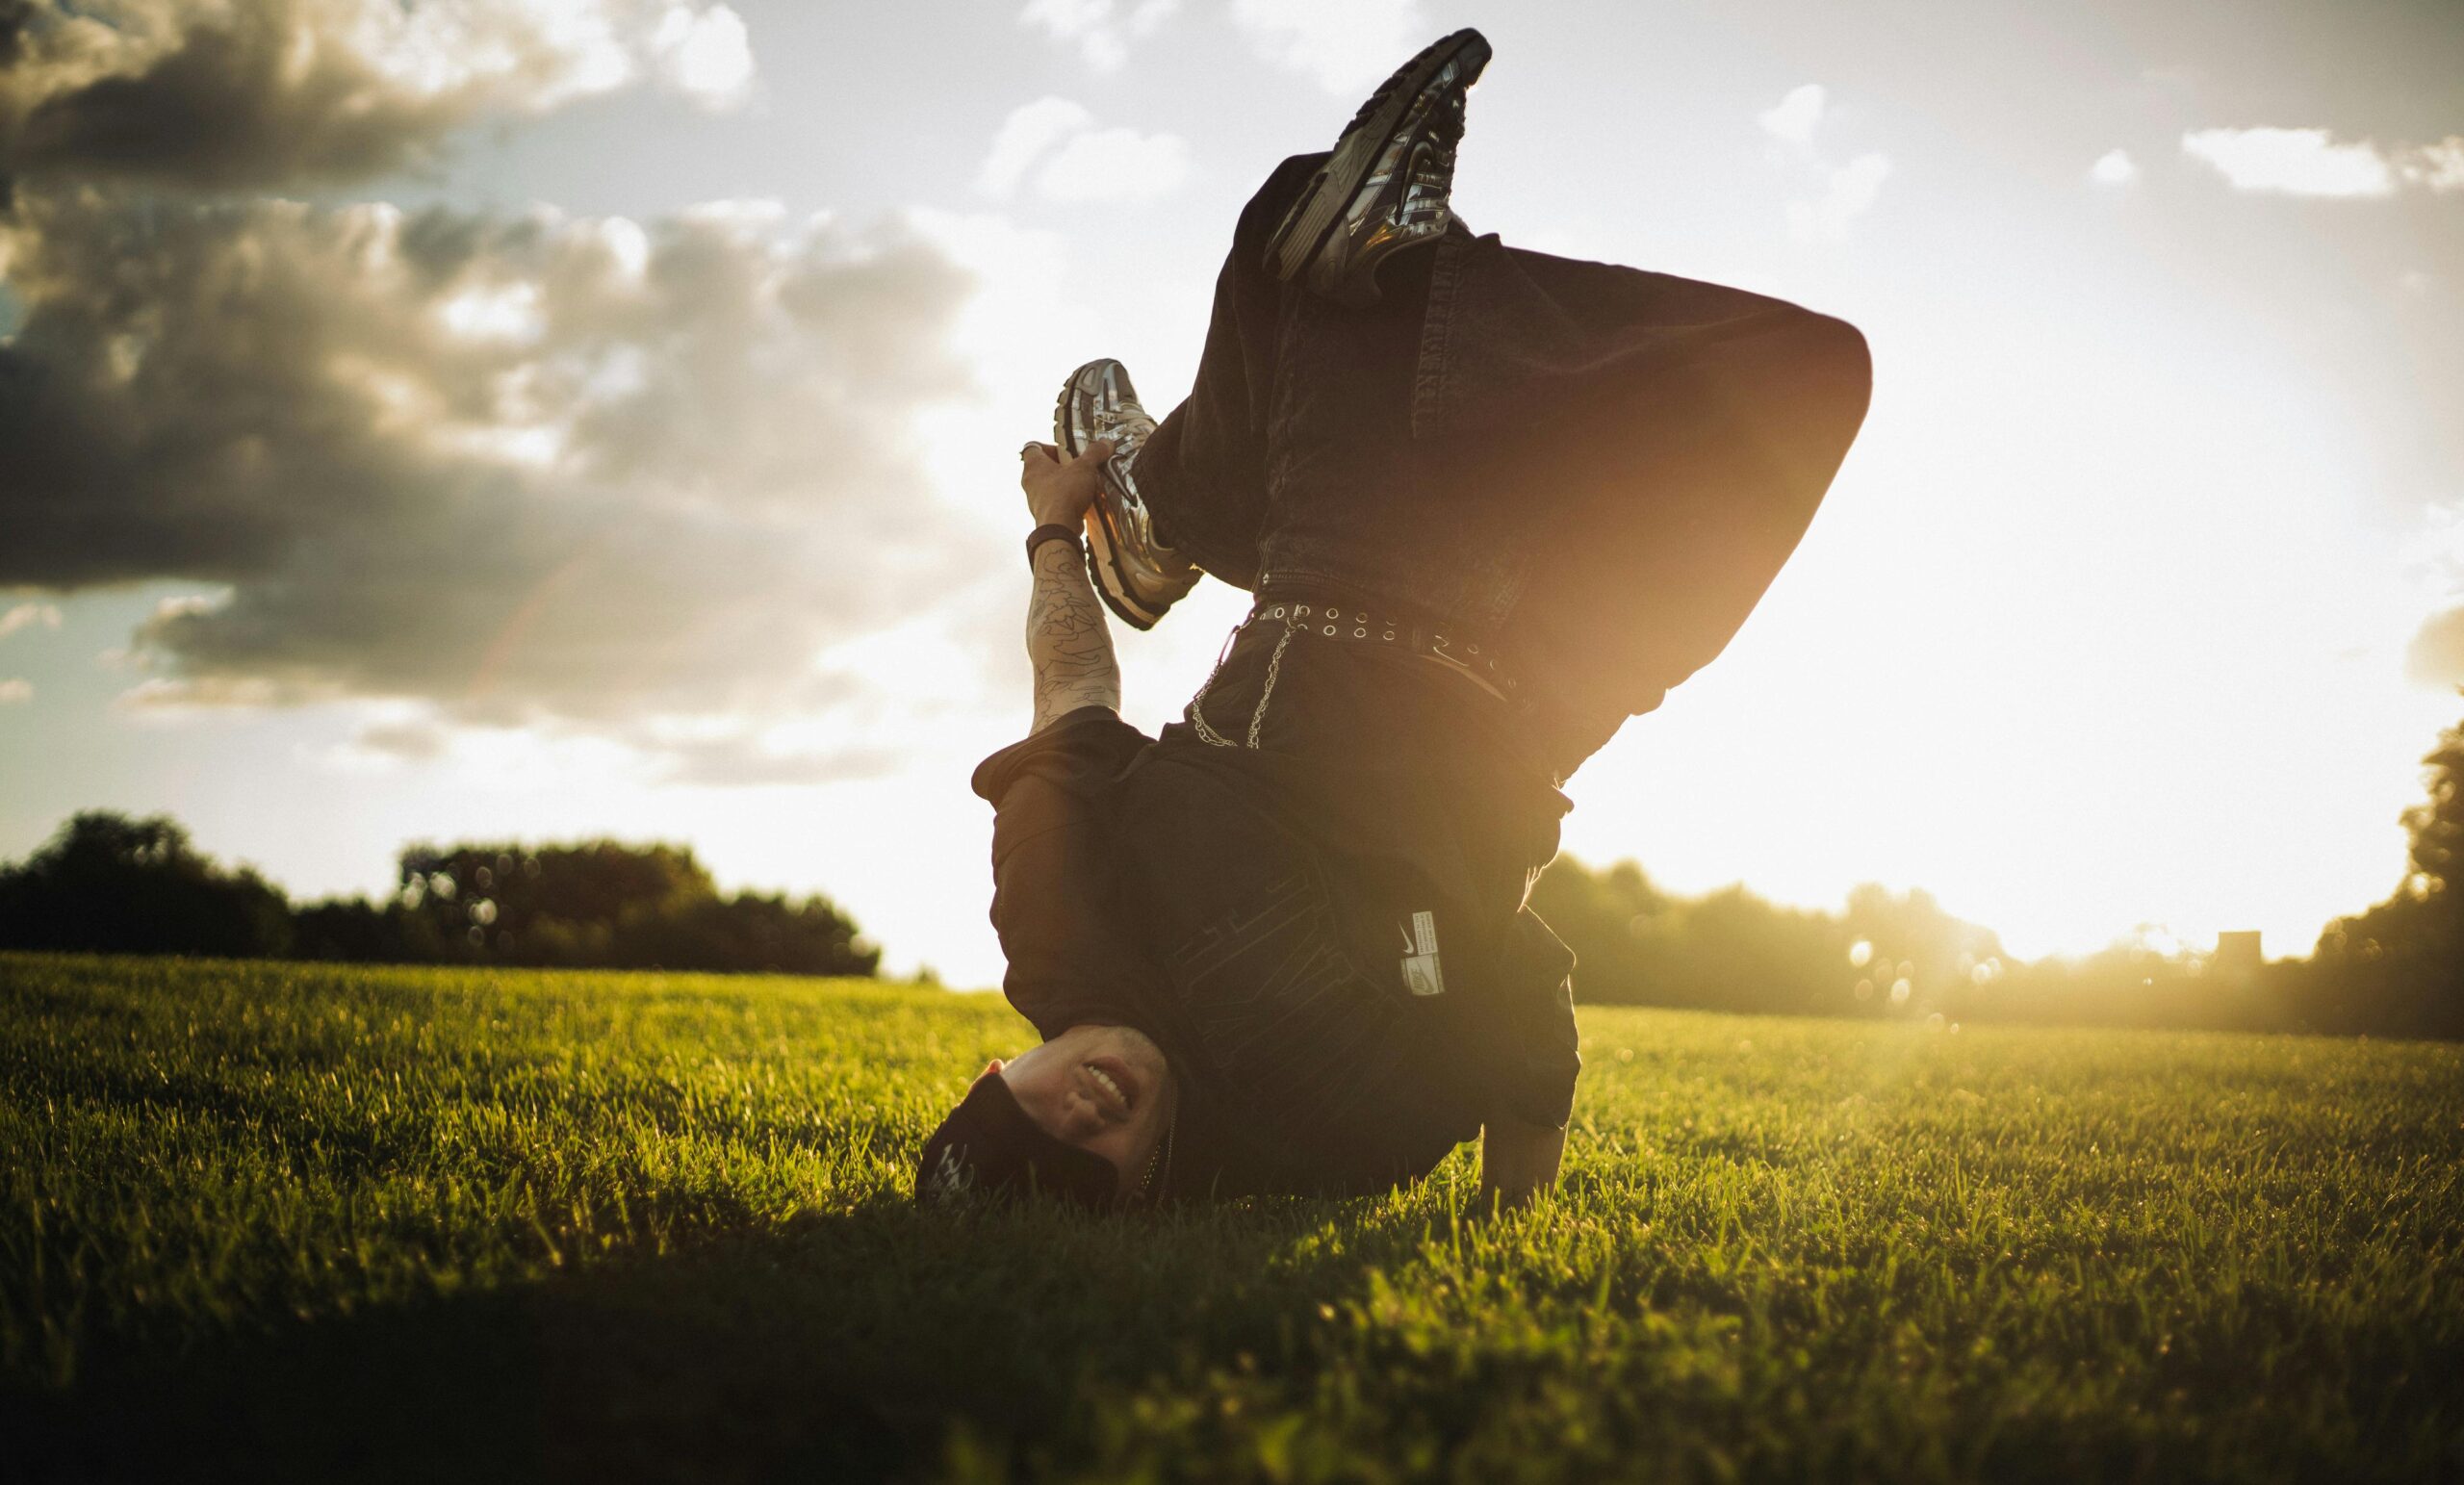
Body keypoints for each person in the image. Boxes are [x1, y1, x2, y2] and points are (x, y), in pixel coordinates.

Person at [914, 29, 1871, 1210]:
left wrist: (1057, 532)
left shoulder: (1056, 927)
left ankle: (1167, 504)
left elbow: (1072, 695)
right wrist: (1512, 1216)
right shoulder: (1333, 1130)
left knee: (1307, 245)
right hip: (1557, 685)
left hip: (1343, 590)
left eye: (1028, 1117)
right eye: (1076, 1179)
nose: (1078, 1118)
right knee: (1811, 371)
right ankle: (1180, 496)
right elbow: (1523, 1003)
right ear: (1130, 1203)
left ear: (999, 1069)